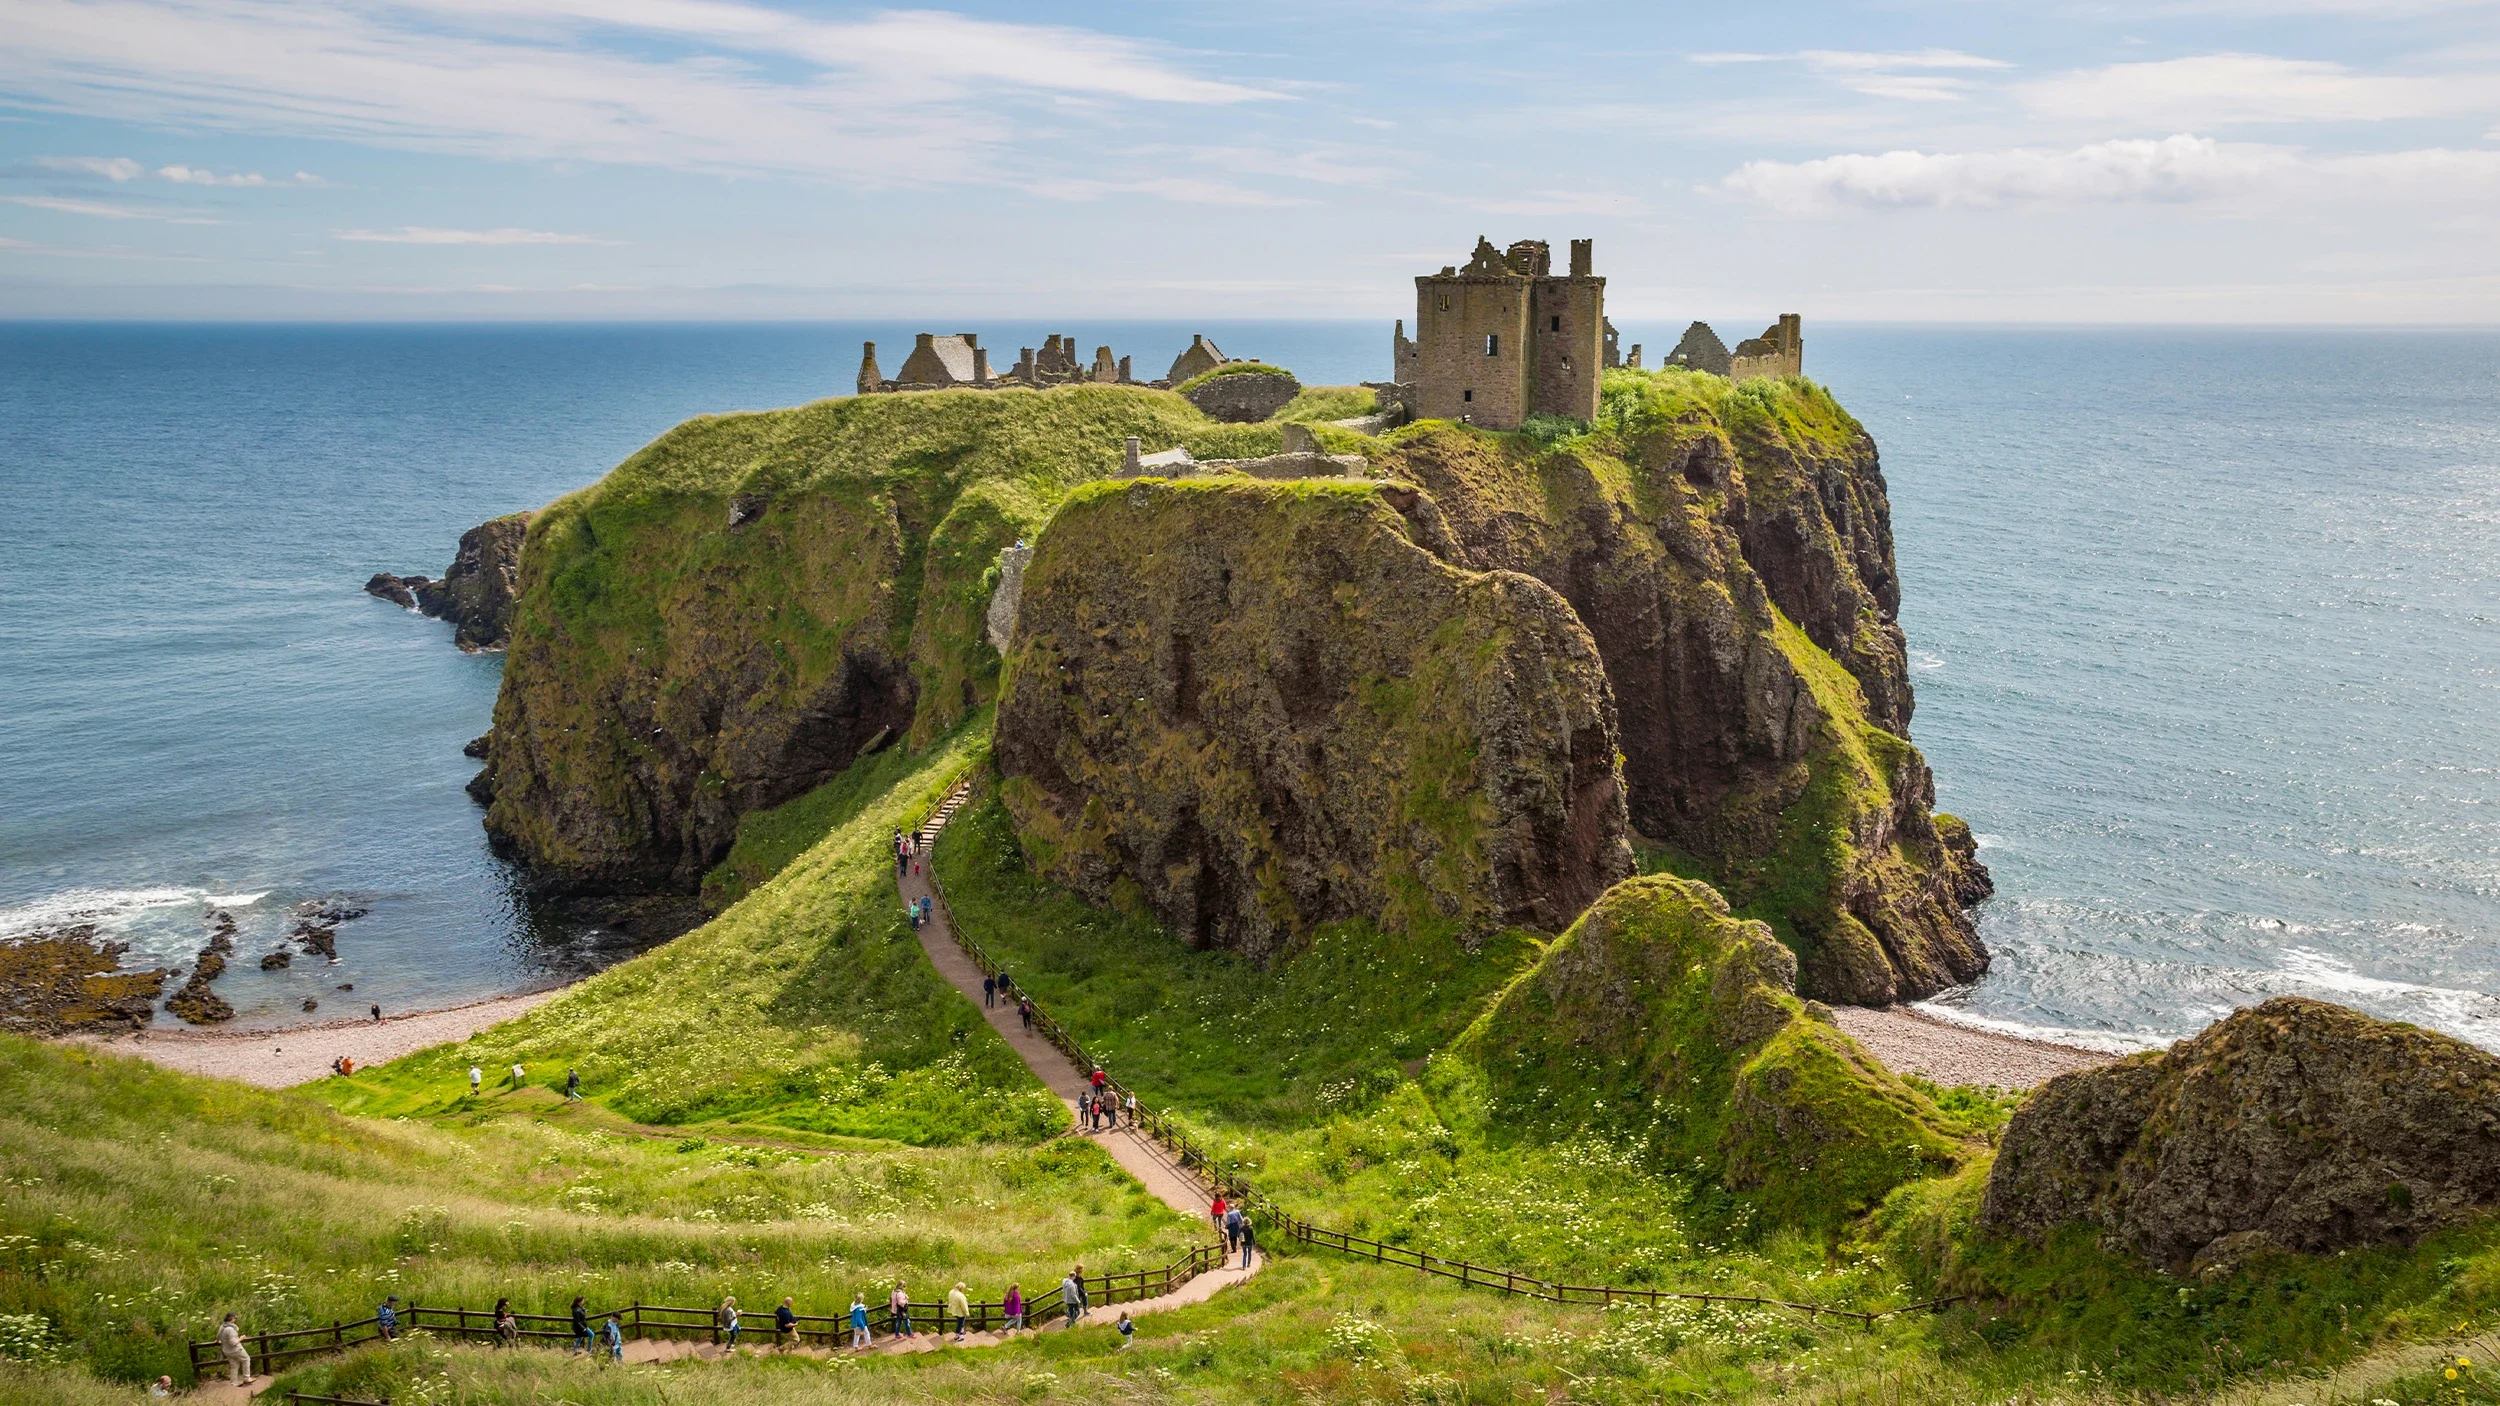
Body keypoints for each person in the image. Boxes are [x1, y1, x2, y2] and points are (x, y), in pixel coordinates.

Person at [215, 1312, 251, 1386]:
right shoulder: (230, 1329)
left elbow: (218, 1336)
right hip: (235, 1350)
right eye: (235, 1318)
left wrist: (218, 1341)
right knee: (246, 1359)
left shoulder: (222, 1326)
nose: (236, 1319)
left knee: (234, 1365)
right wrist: (241, 1338)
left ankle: (234, 1383)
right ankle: (247, 1378)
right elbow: (233, 1343)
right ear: (231, 1318)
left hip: (226, 1350)